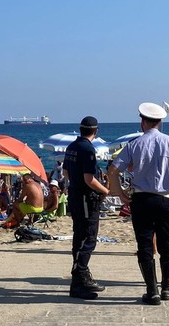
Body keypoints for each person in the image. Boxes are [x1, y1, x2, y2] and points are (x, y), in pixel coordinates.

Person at [108, 103, 169, 305]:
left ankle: (152, 290)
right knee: (167, 243)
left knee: (145, 244)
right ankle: (167, 287)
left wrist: (121, 194)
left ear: (143, 121)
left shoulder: (134, 144)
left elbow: (113, 171)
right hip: (165, 198)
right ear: (160, 122)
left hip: (141, 199)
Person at [63, 116, 110, 299]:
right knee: (88, 238)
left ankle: (82, 276)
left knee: (79, 237)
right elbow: (89, 179)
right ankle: (78, 280)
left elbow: (66, 173)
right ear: (96, 131)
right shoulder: (87, 149)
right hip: (85, 198)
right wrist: (105, 190)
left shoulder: (72, 146)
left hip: (75, 195)